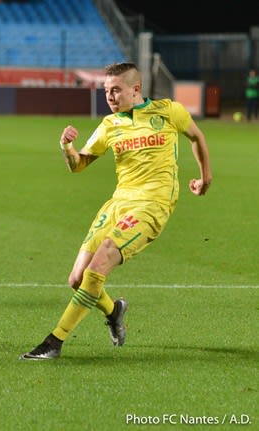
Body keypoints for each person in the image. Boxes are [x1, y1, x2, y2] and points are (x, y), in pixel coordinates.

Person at [20, 62, 213, 360]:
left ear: (135, 89)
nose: (109, 97)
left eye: (115, 90)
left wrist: (205, 177)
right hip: (118, 203)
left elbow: (197, 137)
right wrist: (66, 148)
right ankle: (114, 311)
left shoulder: (168, 111)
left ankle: (54, 342)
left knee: (98, 267)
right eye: (106, 91)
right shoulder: (109, 125)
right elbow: (79, 165)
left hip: (152, 204)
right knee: (77, 279)